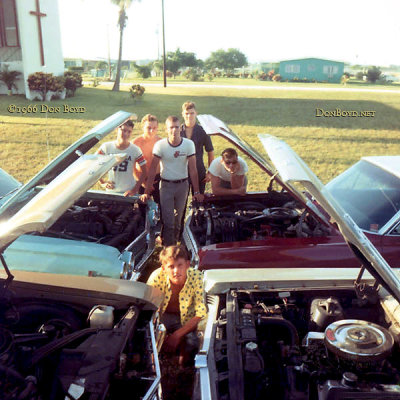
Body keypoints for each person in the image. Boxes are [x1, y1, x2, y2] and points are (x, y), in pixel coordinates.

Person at [140, 116, 203, 246]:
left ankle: (176, 245)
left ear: (180, 128)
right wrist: (147, 191)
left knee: (178, 219)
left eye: (176, 127)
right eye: (171, 127)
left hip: (183, 185)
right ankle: (169, 250)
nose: (174, 130)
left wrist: (196, 191)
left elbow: (193, 169)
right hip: (166, 185)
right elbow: (152, 170)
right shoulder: (160, 145)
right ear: (166, 130)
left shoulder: (188, 144)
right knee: (168, 221)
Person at [147, 245, 207, 364]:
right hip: (163, 315)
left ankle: (182, 368)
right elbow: (149, 307)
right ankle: (153, 364)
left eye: (180, 265)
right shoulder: (156, 277)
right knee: (147, 337)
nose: (176, 271)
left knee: (194, 342)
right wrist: (156, 334)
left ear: (187, 264)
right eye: (171, 267)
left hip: (187, 319)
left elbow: (201, 313)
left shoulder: (198, 278)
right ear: (164, 268)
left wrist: (176, 335)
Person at [96, 120, 147, 196]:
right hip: (111, 190)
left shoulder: (135, 150)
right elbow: (93, 165)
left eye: (129, 131)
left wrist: (134, 190)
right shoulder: (106, 147)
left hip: (128, 191)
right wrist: (102, 183)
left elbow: (144, 171)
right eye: (123, 130)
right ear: (117, 129)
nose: (126, 134)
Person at [180, 101, 214, 194]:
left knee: (199, 199)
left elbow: (210, 152)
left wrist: (210, 173)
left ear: (196, 113)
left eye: (192, 113)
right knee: (182, 202)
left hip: (199, 170)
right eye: (186, 113)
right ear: (182, 114)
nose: (189, 116)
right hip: (182, 171)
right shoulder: (178, 131)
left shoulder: (203, 131)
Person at [133, 114, 162, 204]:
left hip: (158, 179)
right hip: (141, 178)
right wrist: (143, 183)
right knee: (142, 207)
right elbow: (132, 166)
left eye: (154, 128)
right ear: (143, 127)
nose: (151, 130)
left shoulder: (161, 142)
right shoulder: (136, 143)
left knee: (160, 207)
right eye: (148, 128)